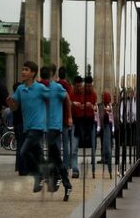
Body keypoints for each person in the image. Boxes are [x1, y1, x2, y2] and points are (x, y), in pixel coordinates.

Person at [7, 61, 49, 192]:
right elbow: (15, 108)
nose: (23, 72)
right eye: (23, 69)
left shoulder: (40, 88)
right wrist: (10, 103)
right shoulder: (20, 89)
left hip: (38, 126)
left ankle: (39, 176)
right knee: (38, 154)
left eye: (26, 70)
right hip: (27, 126)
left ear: (33, 73)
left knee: (23, 151)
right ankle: (54, 173)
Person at [39, 66, 73, 201]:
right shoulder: (40, 88)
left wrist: (69, 117)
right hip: (43, 125)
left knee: (53, 155)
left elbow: (68, 100)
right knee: (54, 155)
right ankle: (64, 182)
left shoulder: (57, 87)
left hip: (54, 125)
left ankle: (58, 178)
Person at [70, 75, 97, 178]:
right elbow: (68, 104)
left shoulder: (92, 94)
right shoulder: (72, 93)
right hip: (76, 121)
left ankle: (93, 168)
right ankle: (75, 170)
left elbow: (95, 107)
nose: (80, 88)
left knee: (93, 146)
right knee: (74, 147)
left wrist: (91, 106)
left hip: (89, 122)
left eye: (81, 86)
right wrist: (73, 104)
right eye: (78, 86)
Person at [56, 66, 73, 173]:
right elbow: (70, 101)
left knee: (57, 142)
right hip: (66, 117)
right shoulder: (68, 86)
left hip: (57, 117)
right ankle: (67, 164)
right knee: (66, 142)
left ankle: (58, 164)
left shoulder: (56, 85)